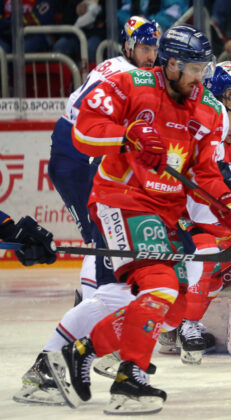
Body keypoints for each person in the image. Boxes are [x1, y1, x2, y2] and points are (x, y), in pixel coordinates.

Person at [44, 24, 231, 415]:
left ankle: (84, 352)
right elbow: (85, 132)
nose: (199, 78)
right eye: (192, 69)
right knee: (159, 286)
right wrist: (127, 135)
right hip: (120, 198)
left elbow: (206, 175)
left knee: (170, 301)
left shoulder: (208, 109)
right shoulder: (132, 83)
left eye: (202, 68)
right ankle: (130, 379)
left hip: (164, 211)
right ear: (171, 64)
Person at [12, 16, 161, 407]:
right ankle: (56, 360)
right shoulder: (118, 72)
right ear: (128, 46)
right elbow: (81, 120)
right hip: (79, 163)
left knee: (114, 264)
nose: (149, 55)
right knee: (112, 265)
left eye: (153, 48)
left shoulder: (138, 75)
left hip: (91, 164)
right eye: (143, 47)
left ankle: (87, 340)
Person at [157, 61, 231, 365]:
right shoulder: (198, 124)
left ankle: (179, 321)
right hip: (173, 218)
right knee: (205, 249)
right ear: (223, 100)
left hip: (197, 219)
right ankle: (185, 323)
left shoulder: (227, 139)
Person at [117, 0, 190, 31]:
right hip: (132, 35)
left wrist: (144, 23)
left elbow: (172, 16)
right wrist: (132, 21)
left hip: (166, 40)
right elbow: (123, 12)